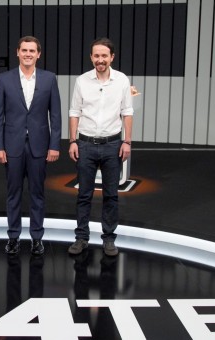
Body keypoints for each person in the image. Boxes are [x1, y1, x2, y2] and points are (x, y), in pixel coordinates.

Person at [0, 36, 61, 255]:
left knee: (37, 194)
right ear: (17, 52)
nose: (28, 54)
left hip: (40, 146)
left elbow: (56, 115)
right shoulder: (4, 79)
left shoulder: (49, 79)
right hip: (12, 146)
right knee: (13, 193)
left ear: (38, 54)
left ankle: (37, 238)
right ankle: (13, 237)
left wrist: (55, 145)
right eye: (24, 50)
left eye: (32, 50)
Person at [67, 37, 133, 257]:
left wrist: (127, 142)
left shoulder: (122, 80)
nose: (100, 59)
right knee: (83, 195)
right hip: (85, 144)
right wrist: (72, 141)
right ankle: (81, 238)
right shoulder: (82, 81)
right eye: (96, 55)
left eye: (104, 55)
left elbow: (127, 112)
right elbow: (74, 111)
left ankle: (109, 239)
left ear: (111, 57)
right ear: (91, 57)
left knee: (111, 195)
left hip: (113, 145)